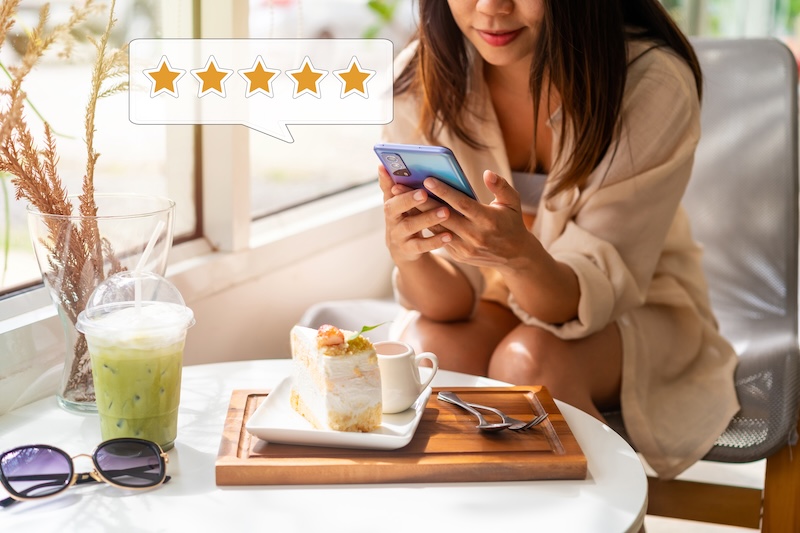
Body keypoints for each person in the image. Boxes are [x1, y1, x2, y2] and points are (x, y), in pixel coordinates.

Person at [378, 0, 739, 479]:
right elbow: (447, 304)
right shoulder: (420, 78)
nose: (491, 8)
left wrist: (518, 255)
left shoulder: (648, 82)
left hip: (632, 305)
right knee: (432, 355)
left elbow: (572, 300)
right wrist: (409, 255)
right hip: (499, 294)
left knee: (529, 368)